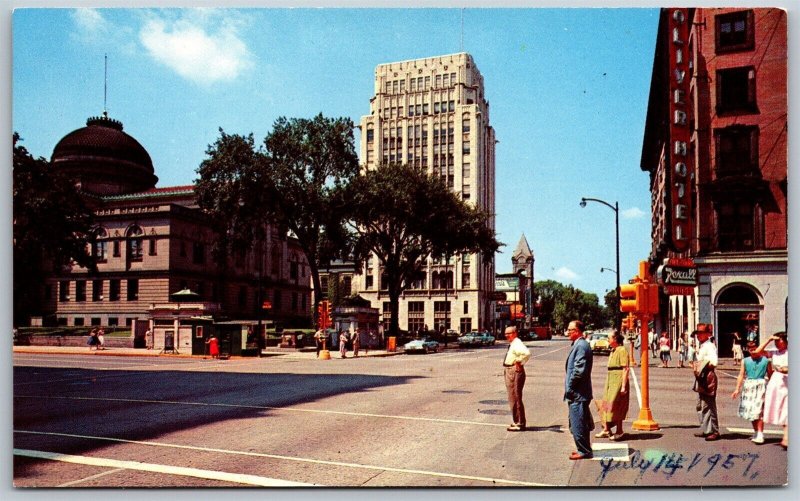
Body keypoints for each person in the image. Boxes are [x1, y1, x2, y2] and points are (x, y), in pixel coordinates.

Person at [564, 320, 594, 460]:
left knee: (578, 422)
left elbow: (578, 370)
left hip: (578, 393)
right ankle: (584, 448)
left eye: (570, 330)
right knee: (580, 421)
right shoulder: (580, 344)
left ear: (577, 331)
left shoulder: (581, 346)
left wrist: (569, 387)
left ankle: (584, 450)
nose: (568, 332)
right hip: (579, 392)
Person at [731, 341, 770, 444]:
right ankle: (756, 432)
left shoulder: (765, 361)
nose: (752, 350)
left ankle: (761, 434)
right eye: (750, 348)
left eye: (754, 348)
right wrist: (737, 389)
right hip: (749, 386)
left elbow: (770, 375)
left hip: (760, 385)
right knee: (751, 411)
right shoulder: (745, 361)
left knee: (759, 410)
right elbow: (741, 375)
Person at [757, 332, 788, 449]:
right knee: (778, 409)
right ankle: (786, 437)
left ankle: (786, 438)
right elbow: (757, 352)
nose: (777, 344)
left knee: (788, 410)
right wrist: (768, 339)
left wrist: (788, 368)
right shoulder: (774, 353)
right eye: (775, 341)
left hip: (789, 382)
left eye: (778, 341)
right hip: (776, 382)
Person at [597, 331, 629, 441]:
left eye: (609, 338)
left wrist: (623, 386)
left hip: (618, 379)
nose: (607, 340)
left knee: (617, 405)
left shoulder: (622, 350)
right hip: (610, 378)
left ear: (615, 339)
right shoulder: (613, 350)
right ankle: (606, 429)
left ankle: (619, 431)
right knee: (606, 404)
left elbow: (625, 369)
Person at [692, 323, 720, 441]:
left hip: (707, 376)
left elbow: (713, 362)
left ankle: (713, 431)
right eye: (698, 333)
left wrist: (700, 365)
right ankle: (706, 428)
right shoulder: (703, 346)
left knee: (708, 405)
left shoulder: (709, 346)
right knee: (700, 404)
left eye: (701, 333)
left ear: (708, 334)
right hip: (701, 377)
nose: (698, 335)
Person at [503, 326, 531, 431]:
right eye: (505, 334)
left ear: (514, 333)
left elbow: (527, 353)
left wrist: (519, 361)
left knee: (516, 396)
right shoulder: (514, 343)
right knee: (512, 396)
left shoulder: (517, 342)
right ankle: (517, 421)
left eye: (508, 333)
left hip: (514, 370)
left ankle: (520, 422)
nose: (506, 336)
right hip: (510, 369)